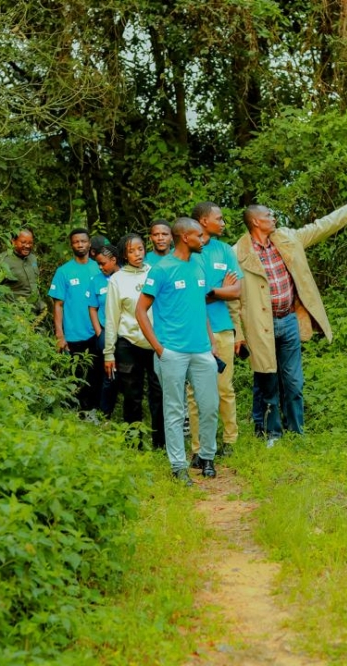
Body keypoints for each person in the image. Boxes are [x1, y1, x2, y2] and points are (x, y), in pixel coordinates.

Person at [233, 195, 347, 444]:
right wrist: (239, 335)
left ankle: (297, 432)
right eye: (268, 216)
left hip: (289, 321)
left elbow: (319, 227)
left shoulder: (287, 238)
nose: (273, 218)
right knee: (268, 382)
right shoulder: (237, 253)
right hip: (259, 327)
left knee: (294, 381)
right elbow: (232, 300)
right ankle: (272, 433)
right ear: (255, 221)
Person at [136, 218, 219, 486]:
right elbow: (140, 310)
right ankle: (178, 466)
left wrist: (211, 341)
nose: (203, 240)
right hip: (172, 352)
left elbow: (200, 306)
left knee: (209, 406)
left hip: (202, 350)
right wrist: (160, 349)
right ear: (185, 237)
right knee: (174, 410)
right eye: (199, 236)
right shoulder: (161, 270)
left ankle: (206, 457)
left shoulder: (199, 265)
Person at [187, 202, 242, 464]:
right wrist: (219, 290)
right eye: (218, 219)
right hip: (193, 332)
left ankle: (230, 440)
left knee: (224, 388)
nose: (223, 223)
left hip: (222, 329)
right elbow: (188, 296)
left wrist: (209, 293)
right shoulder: (188, 252)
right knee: (195, 395)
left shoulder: (225, 251)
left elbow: (237, 291)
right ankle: (198, 447)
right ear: (202, 221)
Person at [103, 234, 165, 449]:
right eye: (131, 251)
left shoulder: (155, 273)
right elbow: (112, 318)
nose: (137, 254)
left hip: (156, 343)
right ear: (124, 255)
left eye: (140, 249)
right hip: (128, 344)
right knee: (132, 396)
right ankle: (133, 444)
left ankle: (160, 443)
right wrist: (108, 353)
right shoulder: (117, 280)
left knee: (159, 394)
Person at [49, 227, 103, 413]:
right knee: (78, 376)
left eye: (83, 241)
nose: (80, 244)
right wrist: (59, 334)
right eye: (76, 242)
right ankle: (79, 412)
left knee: (97, 375)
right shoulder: (64, 272)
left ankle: (95, 412)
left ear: (89, 243)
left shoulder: (99, 267)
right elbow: (58, 305)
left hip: (97, 332)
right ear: (71, 245)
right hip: (74, 334)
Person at [90, 243, 120, 418]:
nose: (101, 267)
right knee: (108, 374)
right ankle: (104, 414)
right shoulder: (96, 280)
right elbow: (92, 307)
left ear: (114, 260)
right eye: (98, 264)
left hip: (125, 333)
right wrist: (99, 332)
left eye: (103, 263)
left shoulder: (125, 277)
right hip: (105, 333)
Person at [0, 229, 45, 315]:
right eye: (23, 242)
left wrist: (40, 304)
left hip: (34, 314)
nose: (27, 246)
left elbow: (33, 285)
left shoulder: (32, 258)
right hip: (14, 316)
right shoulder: (2, 261)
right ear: (13, 242)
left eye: (30, 243)